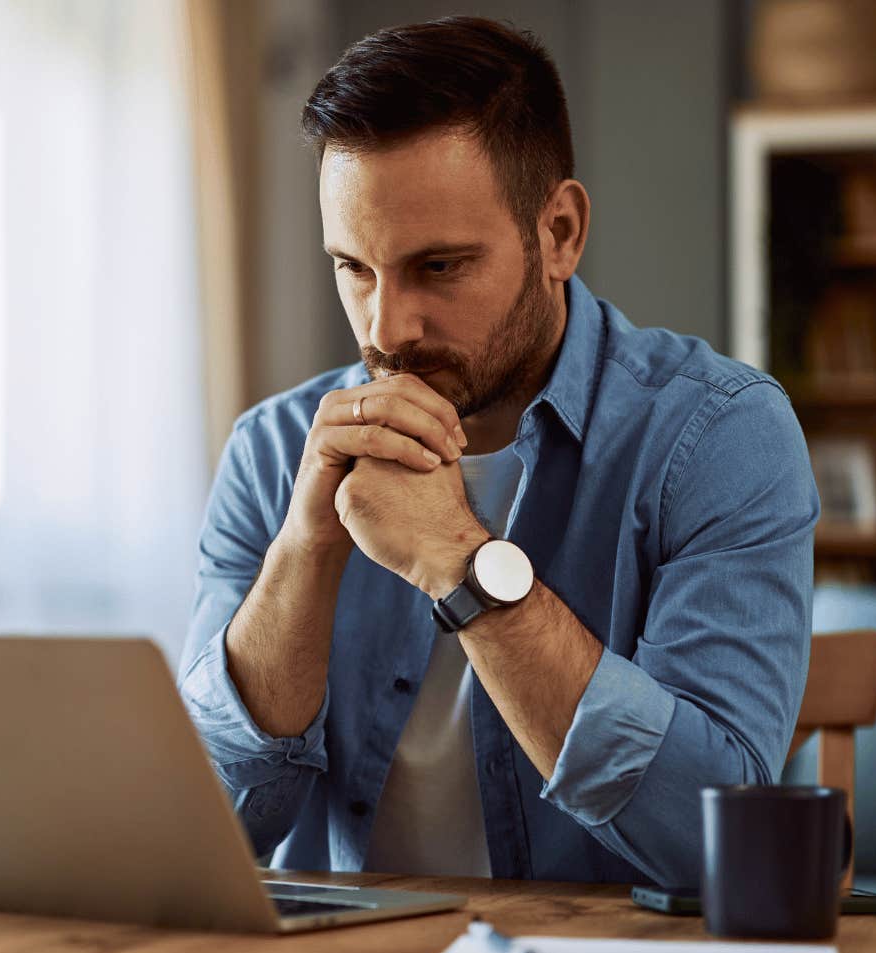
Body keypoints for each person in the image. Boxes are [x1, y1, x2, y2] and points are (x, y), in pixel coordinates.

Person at [178, 16, 818, 888]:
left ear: (558, 232)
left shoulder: (720, 437)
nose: (385, 328)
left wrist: (460, 561)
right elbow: (210, 829)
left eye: (438, 267)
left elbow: (713, 838)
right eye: (353, 267)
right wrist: (306, 549)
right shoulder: (271, 451)